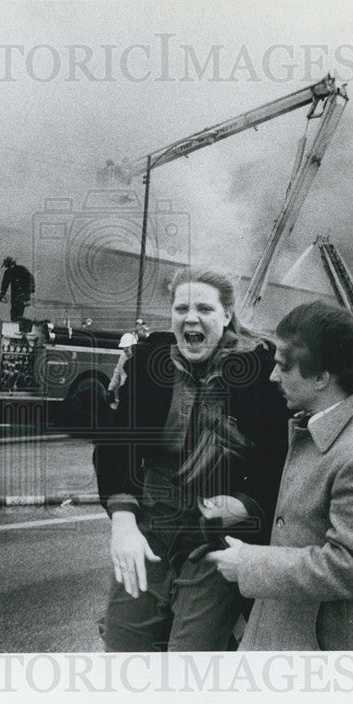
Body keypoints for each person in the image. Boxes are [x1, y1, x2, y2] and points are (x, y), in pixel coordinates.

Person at [207, 300, 353, 650]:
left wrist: (251, 565)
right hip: (295, 634)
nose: (272, 376)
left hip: (328, 650)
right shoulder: (317, 433)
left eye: (284, 367)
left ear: (322, 377)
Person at [92, 267, 290, 651]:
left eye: (204, 308)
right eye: (181, 308)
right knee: (123, 642)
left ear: (227, 315)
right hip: (152, 523)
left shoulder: (261, 373)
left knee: (192, 654)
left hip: (213, 533)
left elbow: (277, 458)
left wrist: (247, 504)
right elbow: (116, 443)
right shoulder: (150, 362)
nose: (191, 318)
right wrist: (123, 521)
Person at [105, 331, 137, 410]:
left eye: (127, 347)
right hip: (124, 394)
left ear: (133, 346)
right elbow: (117, 373)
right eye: (124, 348)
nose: (125, 350)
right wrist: (110, 390)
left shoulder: (139, 358)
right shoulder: (123, 357)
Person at [0, 256, 34, 321]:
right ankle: (14, 323)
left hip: (22, 294)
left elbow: (30, 279)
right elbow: (5, 284)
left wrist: (27, 293)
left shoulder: (21, 269)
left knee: (19, 310)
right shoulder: (7, 272)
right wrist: (2, 293)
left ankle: (18, 324)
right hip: (14, 294)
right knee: (13, 311)